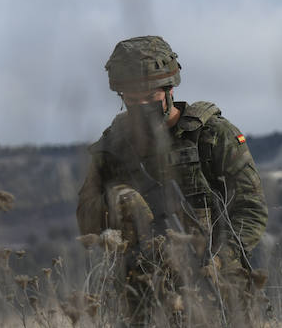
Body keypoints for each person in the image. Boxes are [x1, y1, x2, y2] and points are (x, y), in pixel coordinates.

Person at [76, 35, 268, 294]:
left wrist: (221, 258)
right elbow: (85, 217)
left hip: (215, 281)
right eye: (132, 99)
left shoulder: (212, 135)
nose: (143, 105)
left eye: (150, 95)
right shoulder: (114, 146)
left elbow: (251, 207)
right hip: (143, 285)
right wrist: (119, 202)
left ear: (170, 89)